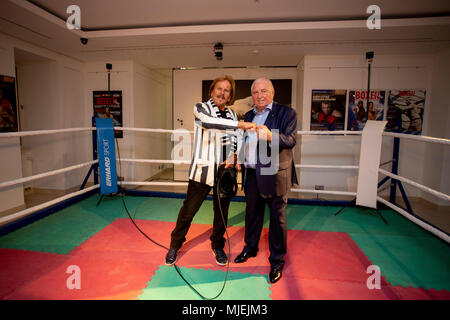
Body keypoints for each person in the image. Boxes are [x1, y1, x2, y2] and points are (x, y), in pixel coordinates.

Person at [165, 75, 255, 266]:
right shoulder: (201, 108)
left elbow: (237, 137)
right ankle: (175, 244)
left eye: (227, 90)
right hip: (202, 170)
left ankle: (217, 245)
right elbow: (209, 123)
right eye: (219, 89)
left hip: (225, 172)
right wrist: (240, 124)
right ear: (212, 91)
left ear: (230, 96)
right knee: (189, 210)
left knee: (222, 212)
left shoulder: (231, 114)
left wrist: (236, 156)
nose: (222, 93)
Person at [234, 78, 298, 284]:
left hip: (275, 172)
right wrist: (239, 158)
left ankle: (277, 260)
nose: (259, 95)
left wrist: (271, 136)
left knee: (277, 220)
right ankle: (250, 248)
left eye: (264, 91)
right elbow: (247, 141)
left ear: (272, 92)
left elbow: (291, 140)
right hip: (252, 172)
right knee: (252, 214)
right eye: (255, 92)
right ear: (251, 95)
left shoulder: (287, 113)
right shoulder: (250, 115)